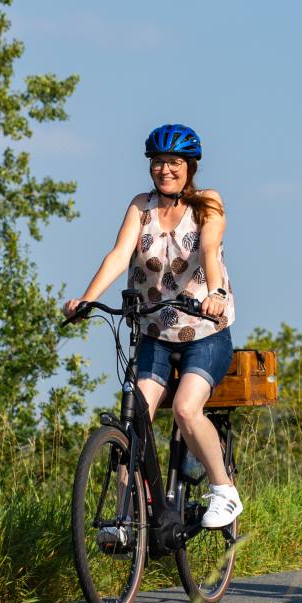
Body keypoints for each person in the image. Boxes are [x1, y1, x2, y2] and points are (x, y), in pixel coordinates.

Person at [62, 123, 244, 528]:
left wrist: (215, 293)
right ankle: (128, 518)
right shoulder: (140, 206)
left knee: (184, 408)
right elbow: (119, 254)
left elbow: (211, 250)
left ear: (190, 166)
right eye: (158, 163)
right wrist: (87, 299)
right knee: (133, 421)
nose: (165, 170)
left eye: (174, 163)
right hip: (153, 333)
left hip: (204, 332)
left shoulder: (207, 203)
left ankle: (223, 491)